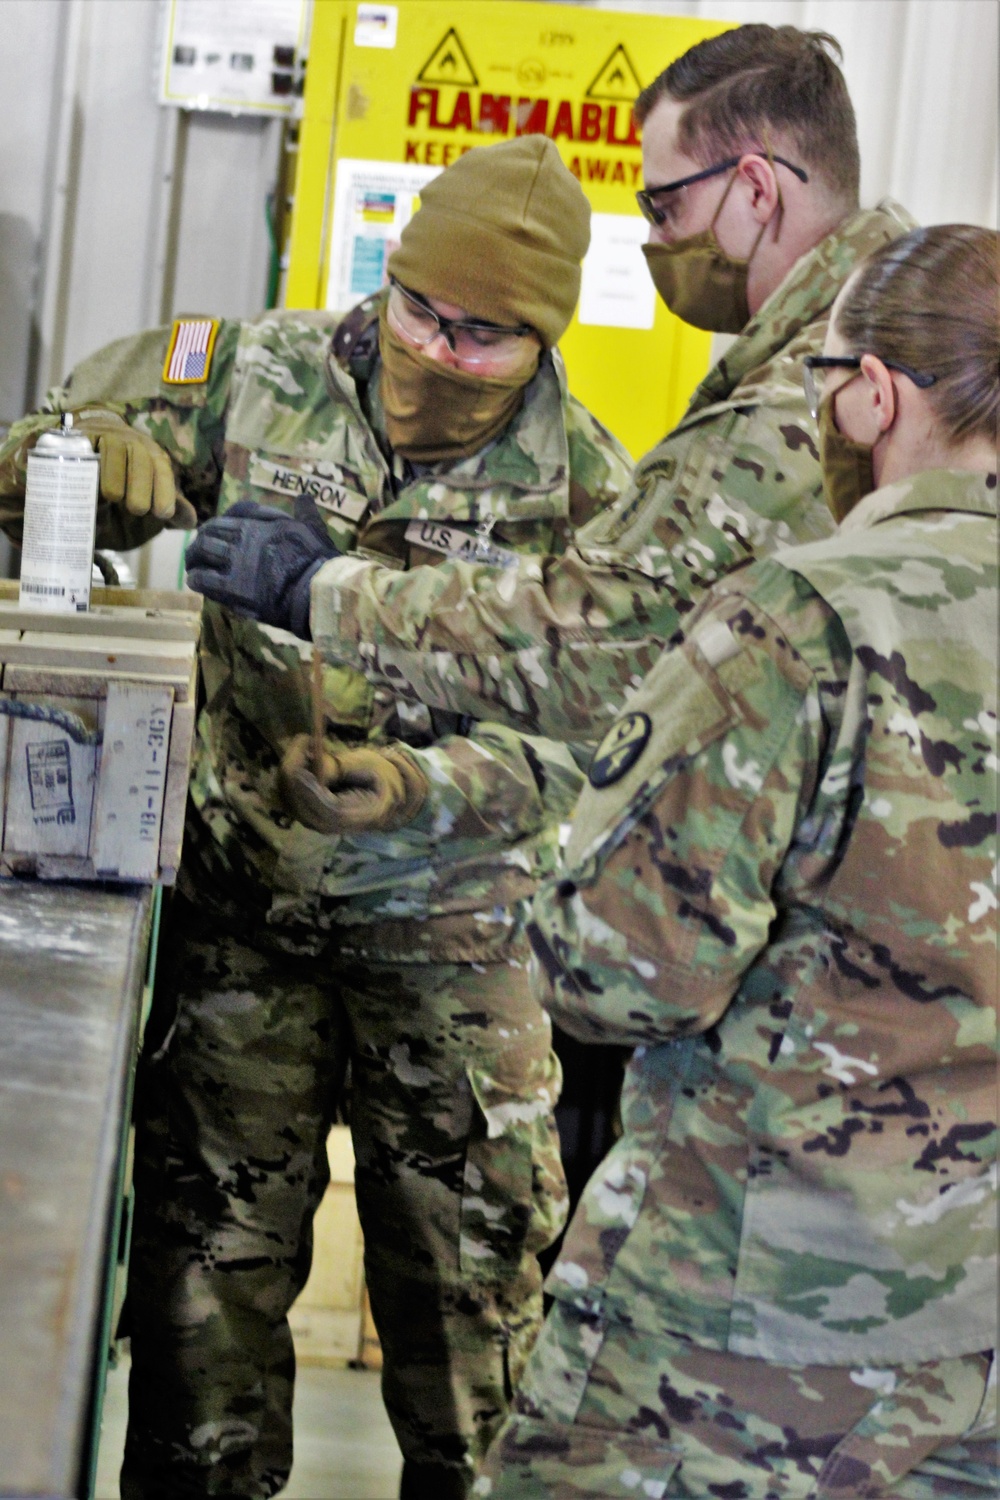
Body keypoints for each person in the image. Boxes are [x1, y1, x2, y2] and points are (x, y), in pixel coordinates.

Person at [0, 137, 632, 1500]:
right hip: (245, 936)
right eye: (419, 311)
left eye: (482, 337)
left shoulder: (593, 499)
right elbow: (44, 450)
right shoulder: (254, 370)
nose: (437, 353)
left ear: (542, 339)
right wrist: (79, 460)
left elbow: (604, 753)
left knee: (479, 1358)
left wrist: (425, 788)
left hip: (457, 955)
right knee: (197, 1332)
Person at [476, 222, 998, 1499]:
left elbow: (615, 973)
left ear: (873, 394)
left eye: (824, 386)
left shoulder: (806, 616)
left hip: (746, 1330)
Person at [207, 27, 911, 752]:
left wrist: (322, 593)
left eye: (664, 209)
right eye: (419, 310)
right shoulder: (919, 328)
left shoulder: (801, 402)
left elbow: (602, 648)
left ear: (757, 189)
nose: (659, 246)